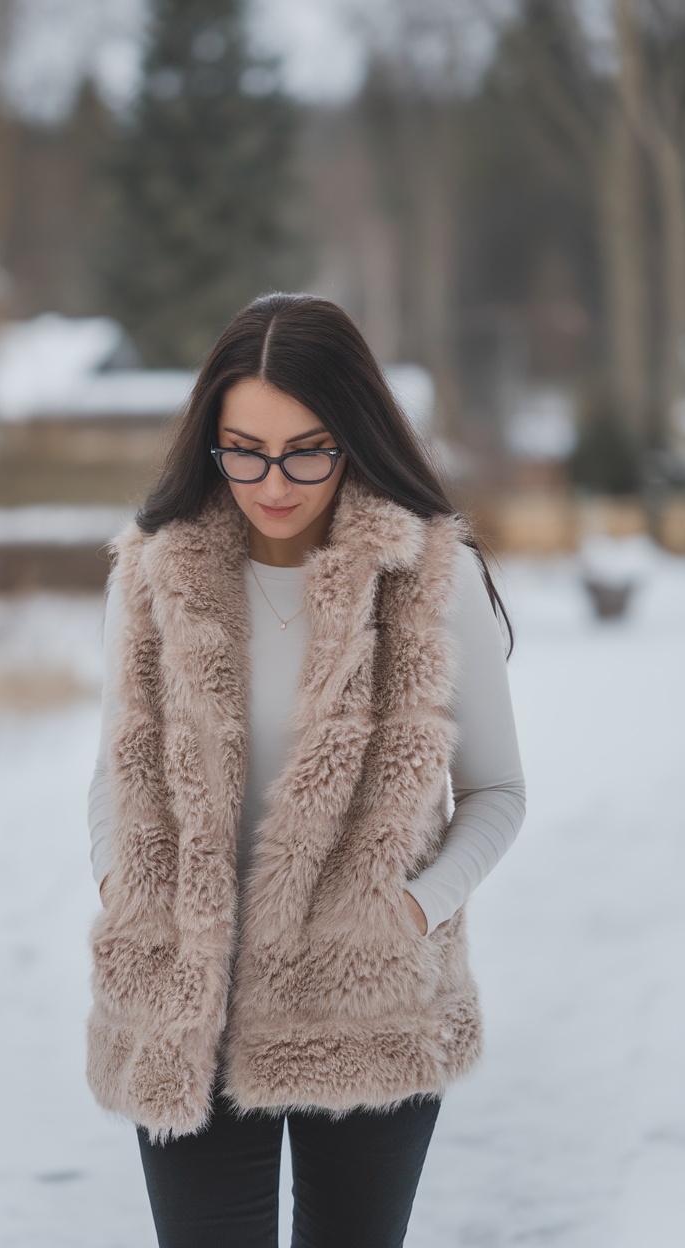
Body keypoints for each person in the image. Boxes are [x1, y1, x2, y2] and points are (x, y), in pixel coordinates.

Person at [85, 292, 526, 1248]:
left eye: (305, 451)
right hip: (191, 1002)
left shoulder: (429, 583)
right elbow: (116, 769)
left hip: (367, 1000)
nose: (272, 481)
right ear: (210, 439)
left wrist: (409, 911)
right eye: (243, 449)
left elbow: (498, 792)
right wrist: (126, 883)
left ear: (356, 435)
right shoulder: (153, 578)